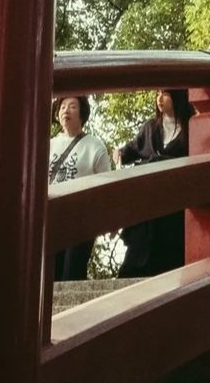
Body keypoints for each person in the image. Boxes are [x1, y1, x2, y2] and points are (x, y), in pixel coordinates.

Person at [116, 88, 193, 277]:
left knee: (170, 257)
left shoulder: (192, 127)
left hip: (175, 207)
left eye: (165, 94)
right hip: (149, 205)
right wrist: (119, 154)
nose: (160, 98)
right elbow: (130, 150)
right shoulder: (150, 127)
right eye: (157, 93)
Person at [47, 95, 113, 281]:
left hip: (81, 217)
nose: (66, 110)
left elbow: (106, 186)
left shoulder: (94, 146)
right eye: (62, 107)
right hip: (53, 217)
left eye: (72, 106)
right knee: (51, 274)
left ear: (82, 113)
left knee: (72, 271)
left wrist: (108, 219)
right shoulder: (48, 145)